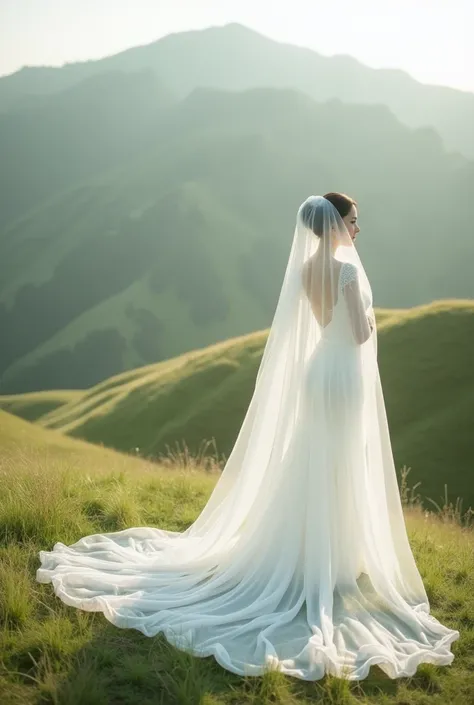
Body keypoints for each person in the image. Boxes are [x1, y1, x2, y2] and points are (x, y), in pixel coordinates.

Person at [36, 193, 459, 681]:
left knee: (315, 457)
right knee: (339, 458)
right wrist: (369, 316)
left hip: (320, 370)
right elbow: (362, 336)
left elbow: (322, 325)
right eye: (353, 221)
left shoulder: (305, 271)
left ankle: (309, 548)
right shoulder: (346, 270)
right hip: (344, 374)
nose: (358, 230)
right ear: (336, 225)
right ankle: (332, 557)